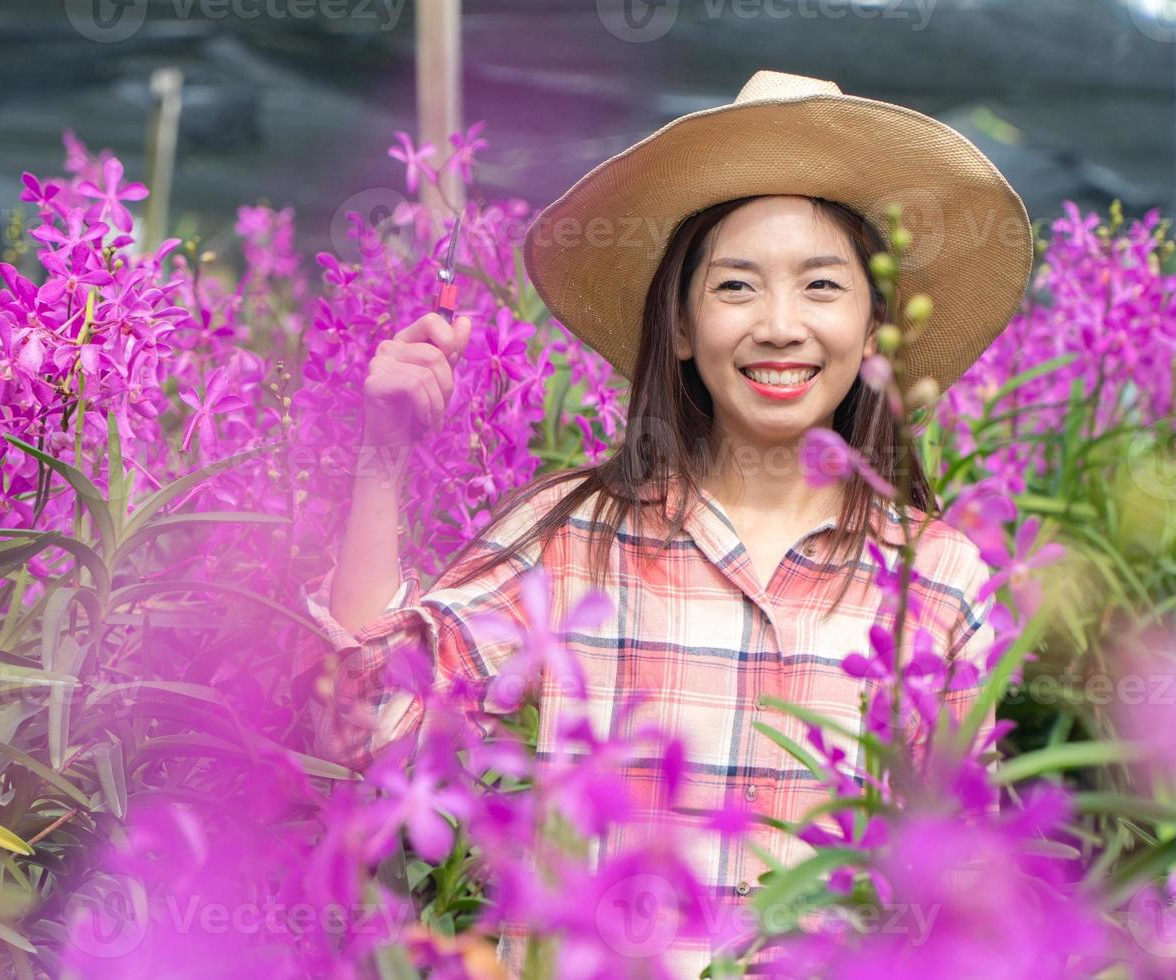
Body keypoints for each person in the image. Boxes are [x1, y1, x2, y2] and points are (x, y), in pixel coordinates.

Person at [294, 69, 1033, 976]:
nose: (780, 325)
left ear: (874, 327)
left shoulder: (939, 577)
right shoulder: (573, 535)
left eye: (822, 286)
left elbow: (964, 886)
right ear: (680, 327)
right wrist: (383, 456)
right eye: (734, 286)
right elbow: (361, 725)